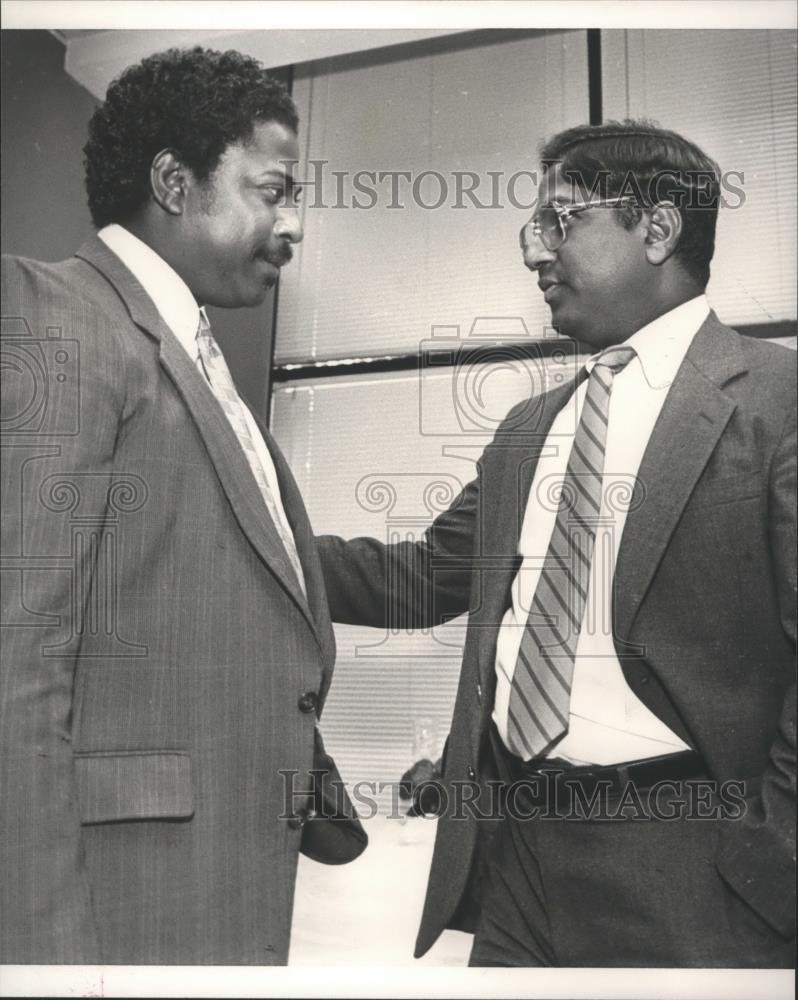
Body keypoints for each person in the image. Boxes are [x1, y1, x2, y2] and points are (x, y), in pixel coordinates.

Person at [318, 120, 796, 967]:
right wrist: (249, 531)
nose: (536, 254)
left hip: (698, 869)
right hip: (517, 859)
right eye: (532, 229)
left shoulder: (777, 401)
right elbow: (427, 576)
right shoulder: (531, 428)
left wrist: (772, 859)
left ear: (657, 229)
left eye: (561, 220)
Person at [1, 46, 354, 965]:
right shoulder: (58, 316)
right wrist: (41, 964)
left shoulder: (192, 353)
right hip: (121, 908)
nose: (294, 224)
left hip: (217, 885)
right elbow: (16, 666)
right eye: (272, 189)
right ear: (173, 180)